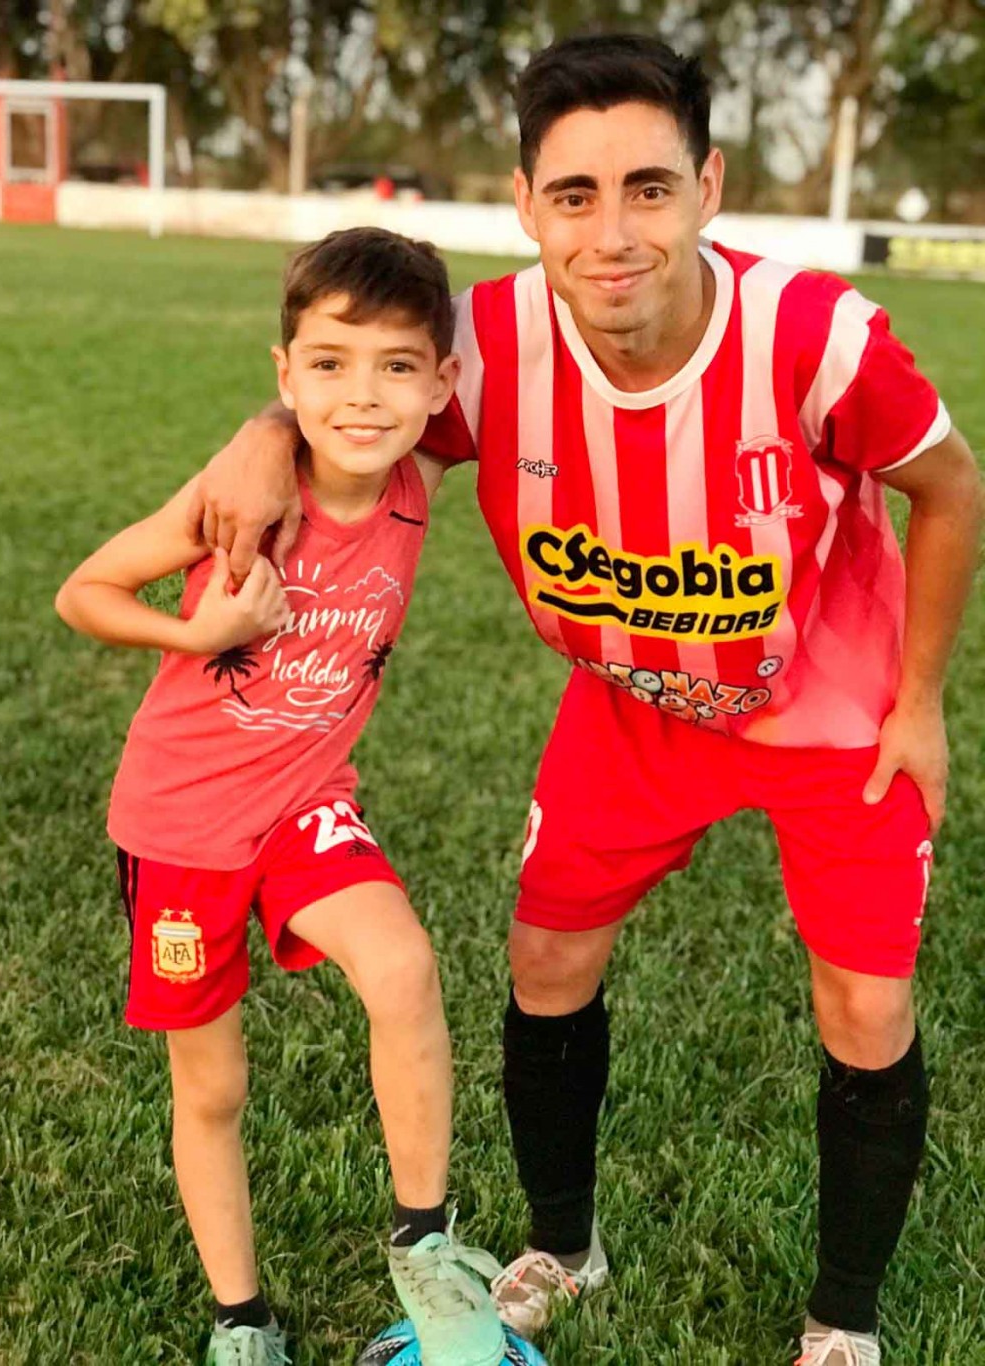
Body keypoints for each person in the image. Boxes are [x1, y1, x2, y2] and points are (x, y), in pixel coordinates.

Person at [184, 34, 984, 1366]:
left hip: (830, 709)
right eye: (574, 195)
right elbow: (353, 401)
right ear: (525, 204)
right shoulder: (480, 346)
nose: (612, 235)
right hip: (631, 705)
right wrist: (263, 436)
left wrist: (922, 701)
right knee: (547, 961)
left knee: (865, 1007)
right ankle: (562, 1242)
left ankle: (843, 1318)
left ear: (707, 186)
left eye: (648, 188)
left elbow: (949, 486)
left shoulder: (815, 335)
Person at [55, 227, 508, 1366]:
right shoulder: (236, 502)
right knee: (214, 1090)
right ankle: (241, 1317)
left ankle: (424, 1243)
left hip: (306, 798)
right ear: (286, 371)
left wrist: (273, 421)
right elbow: (85, 590)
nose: (363, 395)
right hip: (181, 825)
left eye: (397, 367)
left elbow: (516, 326)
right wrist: (195, 629)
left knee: (402, 966)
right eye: (329, 364)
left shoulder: (418, 478)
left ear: (439, 382)